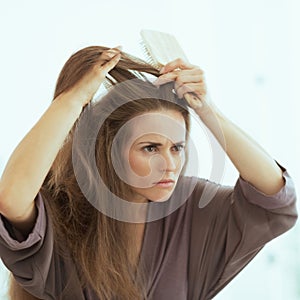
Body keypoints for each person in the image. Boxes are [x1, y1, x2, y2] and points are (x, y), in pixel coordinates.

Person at [0, 45, 297, 300]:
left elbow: (275, 196)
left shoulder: (192, 205)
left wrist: (207, 109)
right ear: (110, 150)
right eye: (151, 148)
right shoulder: (65, 216)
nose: (169, 164)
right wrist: (72, 99)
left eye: (177, 147)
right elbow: (11, 200)